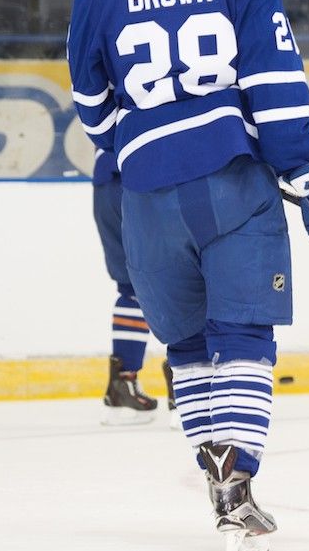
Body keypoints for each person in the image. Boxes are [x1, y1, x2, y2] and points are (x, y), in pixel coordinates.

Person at [68, 0, 309, 550]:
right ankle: (239, 486)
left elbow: (92, 106)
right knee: (245, 335)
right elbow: (277, 90)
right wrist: (303, 164)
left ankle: (215, 478)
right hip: (229, 181)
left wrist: (143, 149)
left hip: (143, 196)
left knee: (190, 345)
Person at [93, 146, 180, 428]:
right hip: (150, 179)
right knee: (184, 280)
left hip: (107, 183)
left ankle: (122, 387)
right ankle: (188, 388)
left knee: (131, 288)